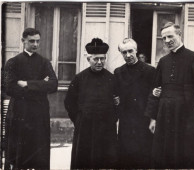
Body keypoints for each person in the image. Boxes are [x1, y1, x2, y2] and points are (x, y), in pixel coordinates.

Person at [145, 22, 194, 168]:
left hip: (187, 115)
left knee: (188, 156)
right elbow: (155, 91)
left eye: (170, 36)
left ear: (179, 35)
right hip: (165, 115)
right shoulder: (163, 61)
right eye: (164, 38)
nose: (167, 40)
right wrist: (153, 118)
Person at [4, 28, 58, 169]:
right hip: (19, 112)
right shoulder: (13, 62)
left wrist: (27, 84)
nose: (35, 44)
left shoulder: (44, 62)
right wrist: (41, 85)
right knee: (18, 155)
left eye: (38, 41)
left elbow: (53, 85)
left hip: (39, 114)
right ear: (23, 41)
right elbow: (8, 88)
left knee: (39, 154)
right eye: (31, 41)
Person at [64, 38, 119, 169]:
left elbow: (117, 102)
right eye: (96, 59)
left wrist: (112, 118)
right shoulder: (79, 78)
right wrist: (78, 120)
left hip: (106, 128)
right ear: (88, 59)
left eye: (102, 58)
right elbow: (69, 102)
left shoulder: (112, 78)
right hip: (85, 128)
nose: (99, 62)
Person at [114, 38, 155, 168]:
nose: (128, 55)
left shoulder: (150, 71)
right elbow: (116, 95)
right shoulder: (118, 72)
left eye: (130, 51)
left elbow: (153, 97)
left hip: (144, 120)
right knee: (125, 157)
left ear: (136, 51)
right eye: (124, 52)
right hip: (126, 121)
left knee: (144, 157)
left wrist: (153, 119)